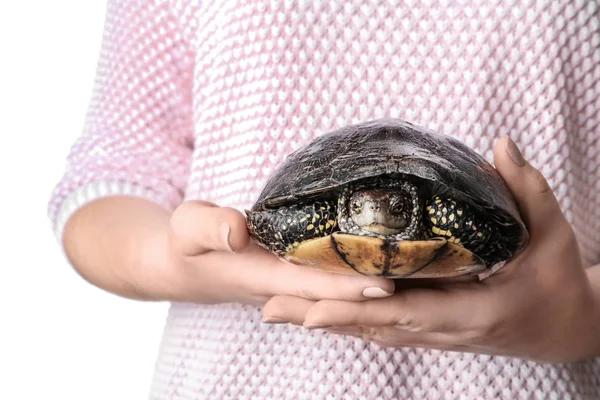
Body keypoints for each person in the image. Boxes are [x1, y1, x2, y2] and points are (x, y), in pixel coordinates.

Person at [48, 1, 600, 398]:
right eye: (369, 204)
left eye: (395, 205)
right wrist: (189, 262)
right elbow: (108, 178)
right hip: (230, 380)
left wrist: (579, 316)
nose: (381, 212)